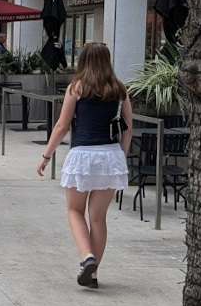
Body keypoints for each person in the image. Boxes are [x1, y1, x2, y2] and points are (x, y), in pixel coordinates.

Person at [37, 41, 132, 289]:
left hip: (82, 155)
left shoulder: (76, 88)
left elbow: (61, 126)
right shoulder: (119, 90)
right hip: (110, 155)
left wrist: (46, 156)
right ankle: (94, 273)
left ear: (83, 60)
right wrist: (120, 157)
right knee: (98, 218)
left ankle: (86, 257)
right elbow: (128, 129)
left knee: (74, 211)